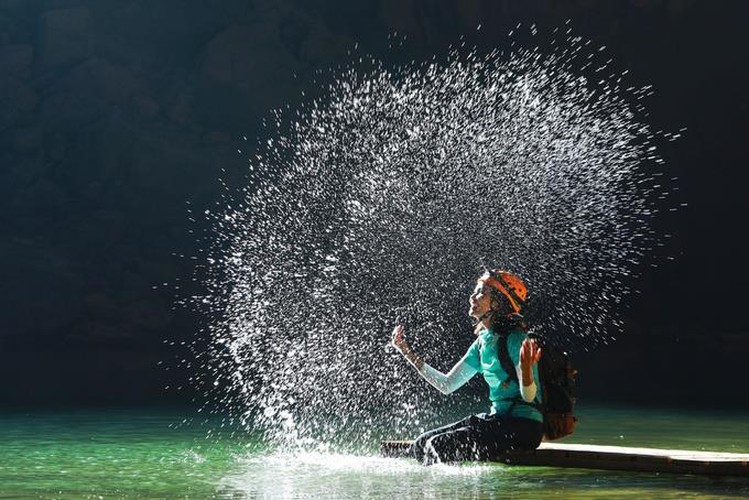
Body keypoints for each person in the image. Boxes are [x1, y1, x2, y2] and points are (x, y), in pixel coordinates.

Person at [392, 269, 543, 465]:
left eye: (481, 292)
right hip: (497, 421)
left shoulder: (517, 340)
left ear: (496, 303)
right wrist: (406, 352)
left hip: (524, 427)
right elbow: (447, 385)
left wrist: (527, 374)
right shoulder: (482, 342)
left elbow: (529, 396)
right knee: (421, 443)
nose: (473, 296)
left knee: (439, 446)